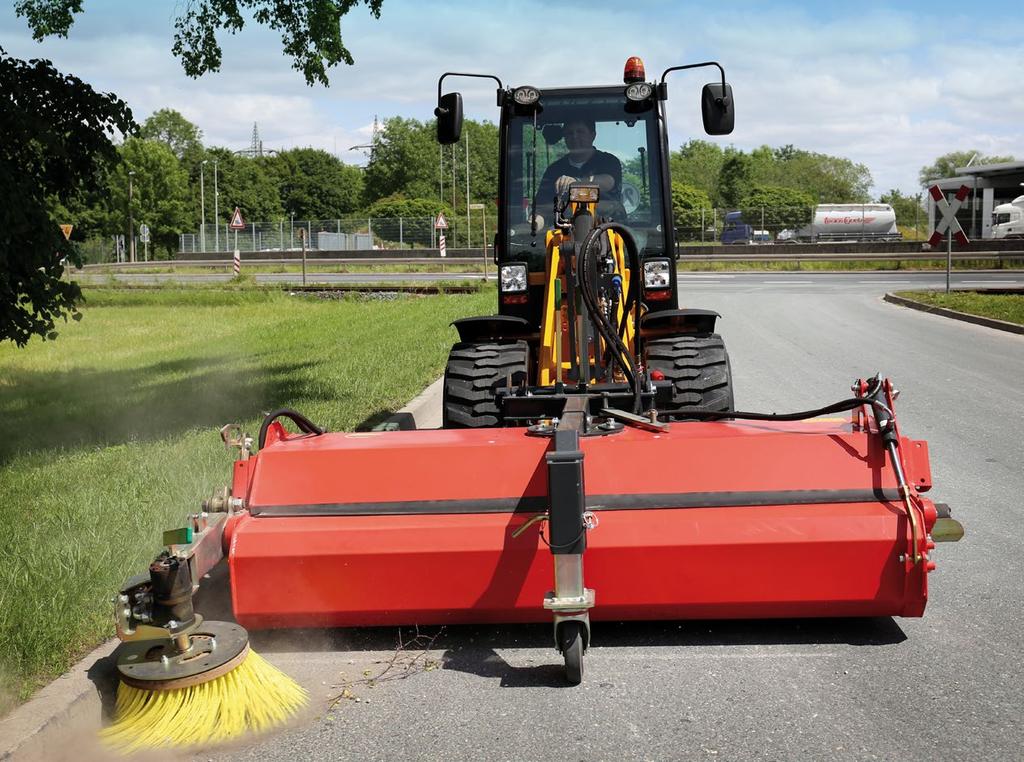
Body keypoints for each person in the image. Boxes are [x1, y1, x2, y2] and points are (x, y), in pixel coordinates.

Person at [530, 120, 622, 228]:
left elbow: (608, 182)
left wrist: (576, 182)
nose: (574, 137)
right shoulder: (554, 170)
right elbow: (541, 209)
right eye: (569, 133)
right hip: (564, 234)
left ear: (593, 135)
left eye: (580, 132)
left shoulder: (608, 161)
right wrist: (533, 225)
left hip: (610, 232)